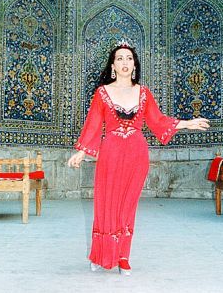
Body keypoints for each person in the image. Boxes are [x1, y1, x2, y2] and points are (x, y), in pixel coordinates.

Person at [67, 41, 210, 275]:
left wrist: (185, 124)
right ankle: (100, 254)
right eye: (120, 58)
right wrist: (82, 151)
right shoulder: (102, 92)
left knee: (127, 205)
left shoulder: (143, 93)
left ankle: (123, 256)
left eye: (129, 58)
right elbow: (93, 124)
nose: (125, 62)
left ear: (135, 65)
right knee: (106, 203)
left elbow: (157, 120)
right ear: (113, 65)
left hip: (136, 153)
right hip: (111, 152)